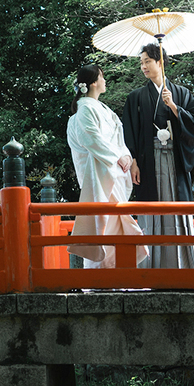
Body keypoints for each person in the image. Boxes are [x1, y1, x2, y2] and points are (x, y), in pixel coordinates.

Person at [121, 43, 194, 268]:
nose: (143, 67)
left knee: (178, 209)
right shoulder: (136, 98)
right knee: (151, 208)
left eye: (147, 61)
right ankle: (150, 267)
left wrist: (174, 107)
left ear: (160, 62)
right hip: (148, 163)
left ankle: (183, 267)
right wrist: (134, 160)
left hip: (174, 162)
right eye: (141, 63)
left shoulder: (182, 94)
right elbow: (129, 131)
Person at [66, 63, 147, 268]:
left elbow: (120, 140)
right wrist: (117, 157)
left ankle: (121, 276)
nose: (105, 80)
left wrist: (127, 156)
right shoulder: (84, 111)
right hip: (100, 176)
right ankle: (98, 279)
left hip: (116, 173)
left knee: (117, 225)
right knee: (103, 226)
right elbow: (91, 139)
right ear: (93, 82)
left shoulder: (104, 110)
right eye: (102, 77)